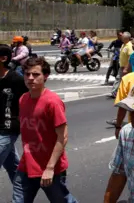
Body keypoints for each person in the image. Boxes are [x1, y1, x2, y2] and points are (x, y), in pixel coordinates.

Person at [12, 57, 78, 203]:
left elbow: (63, 137)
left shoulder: (52, 102)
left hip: (50, 167)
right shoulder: (23, 99)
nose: (30, 78)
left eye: (36, 75)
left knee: (62, 200)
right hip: (27, 164)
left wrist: (49, 168)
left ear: (45, 76)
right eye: (27, 74)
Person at [0, 44, 28, 182]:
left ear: (3, 58)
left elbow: (31, 99)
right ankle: (22, 196)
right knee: (13, 167)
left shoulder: (16, 79)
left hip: (8, 128)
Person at [111, 32, 133, 98]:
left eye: (123, 37)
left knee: (120, 79)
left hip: (126, 67)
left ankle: (115, 93)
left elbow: (130, 57)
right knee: (120, 79)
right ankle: (117, 92)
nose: (121, 38)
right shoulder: (123, 44)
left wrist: (126, 68)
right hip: (122, 66)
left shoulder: (129, 46)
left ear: (127, 38)